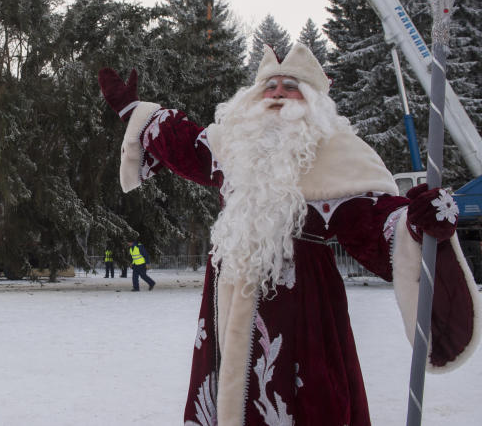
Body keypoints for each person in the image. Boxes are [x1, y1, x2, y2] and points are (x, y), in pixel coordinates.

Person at [99, 43, 480, 425]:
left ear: (312, 99)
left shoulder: (341, 154)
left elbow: (373, 221)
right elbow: (183, 143)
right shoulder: (233, 144)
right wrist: (135, 111)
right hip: (227, 301)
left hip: (304, 306)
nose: (278, 94)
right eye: (271, 86)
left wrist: (415, 222)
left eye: (290, 87)